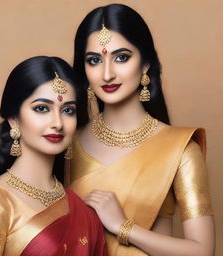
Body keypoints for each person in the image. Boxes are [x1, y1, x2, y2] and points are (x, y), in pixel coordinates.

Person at [68, 4, 215, 256]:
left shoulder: (180, 149)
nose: (107, 73)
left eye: (121, 57)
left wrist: (122, 226)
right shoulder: (67, 143)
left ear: (145, 64)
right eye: (94, 60)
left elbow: (203, 251)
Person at [0, 56, 107, 255]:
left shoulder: (82, 210)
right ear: (14, 119)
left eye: (68, 110)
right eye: (42, 108)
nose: (57, 123)